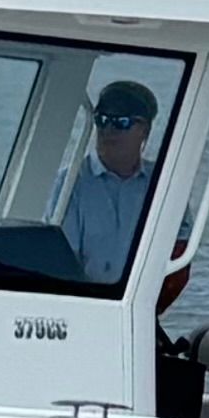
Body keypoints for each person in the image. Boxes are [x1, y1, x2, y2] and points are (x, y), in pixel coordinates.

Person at [51, 78, 160, 283]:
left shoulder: (163, 183)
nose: (108, 130)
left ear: (144, 130)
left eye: (121, 123)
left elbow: (179, 254)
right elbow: (61, 263)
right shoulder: (69, 184)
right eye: (102, 120)